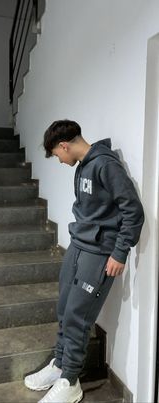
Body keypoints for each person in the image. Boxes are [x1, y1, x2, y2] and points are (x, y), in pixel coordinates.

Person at [24, 120, 145, 403]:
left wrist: (119, 252)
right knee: (65, 309)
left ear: (65, 145)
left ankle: (70, 381)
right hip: (79, 245)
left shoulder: (105, 165)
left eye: (57, 154)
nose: (59, 160)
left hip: (100, 252)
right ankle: (60, 364)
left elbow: (133, 211)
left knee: (78, 316)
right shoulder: (82, 167)